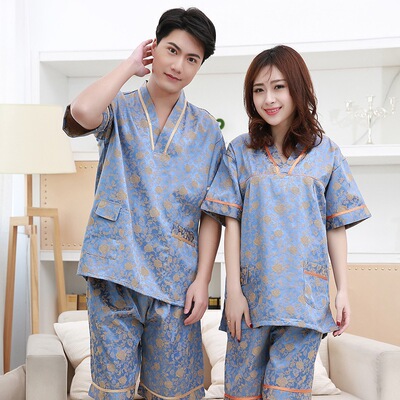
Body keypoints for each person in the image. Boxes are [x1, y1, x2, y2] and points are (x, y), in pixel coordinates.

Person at [62, 7, 225, 400]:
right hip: (115, 271)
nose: (179, 66)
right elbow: (81, 113)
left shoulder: (207, 130)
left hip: (176, 281)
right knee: (112, 392)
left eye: (192, 59)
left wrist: (203, 280)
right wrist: (128, 66)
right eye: (172, 50)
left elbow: (211, 214)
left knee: (174, 394)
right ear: (154, 48)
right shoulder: (119, 108)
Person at [201, 45, 371, 399]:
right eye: (259, 90)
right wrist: (233, 292)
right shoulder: (239, 151)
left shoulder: (327, 152)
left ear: (298, 88)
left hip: (304, 301)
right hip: (250, 301)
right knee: (242, 395)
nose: (269, 99)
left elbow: (335, 226)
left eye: (278, 87)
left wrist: (342, 290)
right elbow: (231, 223)